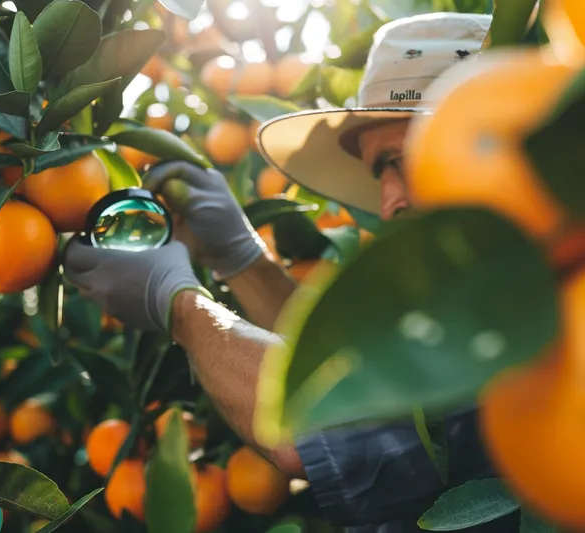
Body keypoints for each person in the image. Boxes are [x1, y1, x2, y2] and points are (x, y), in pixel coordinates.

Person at [64, 12, 520, 533]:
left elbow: (315, 422)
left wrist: (179, 305)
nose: (388, 202)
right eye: (378, 171)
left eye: (403, 157)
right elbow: (340, 368)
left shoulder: (529, 305)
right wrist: (242, 259)